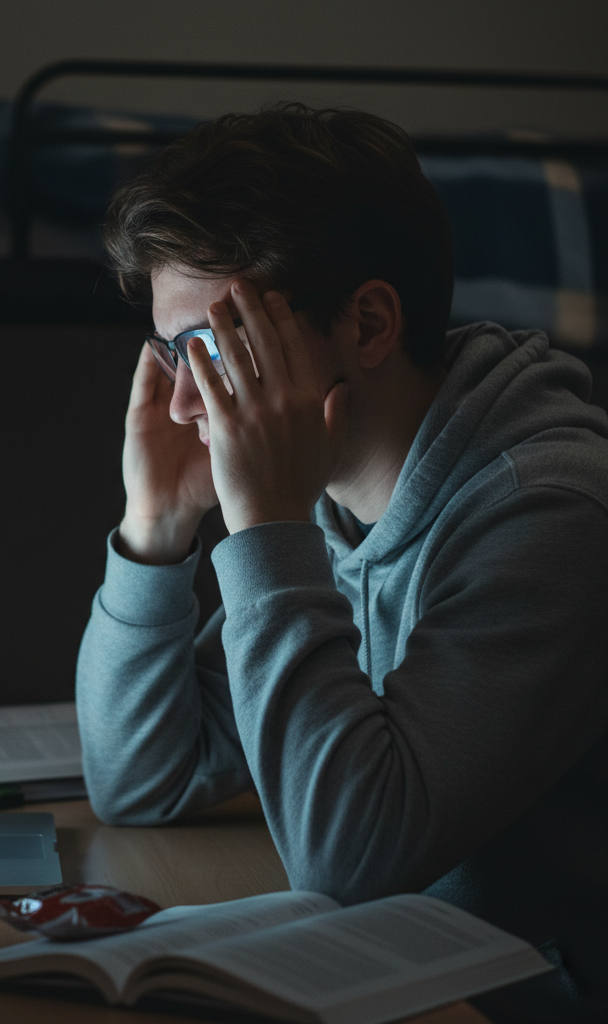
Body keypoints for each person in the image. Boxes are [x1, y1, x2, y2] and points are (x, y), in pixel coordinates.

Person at [76, 103, 608, 1018]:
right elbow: (142, 779)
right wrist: (155, 534)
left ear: (367, 324)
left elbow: (348, 862)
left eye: (214, 350)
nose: (183, 404)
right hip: (419, 971)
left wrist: (267, 532)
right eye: (171, 356)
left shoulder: (549, 511)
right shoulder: (333, 498)